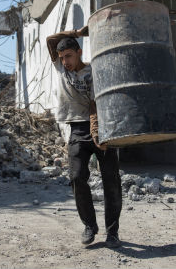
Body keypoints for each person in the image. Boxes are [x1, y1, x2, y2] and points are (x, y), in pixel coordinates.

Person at [46, 26, 122, 248]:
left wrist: (97, 133)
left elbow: (94, 105)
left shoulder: (94, 72)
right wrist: (77, 32)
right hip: (77, 129)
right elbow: (51, 38)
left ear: (79, 53)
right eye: (62, 57)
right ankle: (90, 225)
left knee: (111, 180)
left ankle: (113, 232)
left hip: (102, 126)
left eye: (69, 56)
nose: (65, 61)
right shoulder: (60, 67)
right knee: (77, 177)